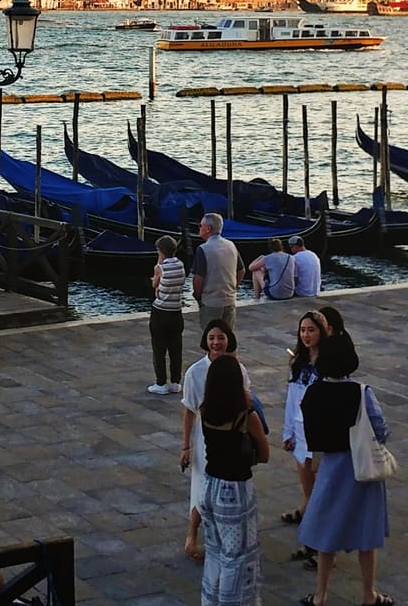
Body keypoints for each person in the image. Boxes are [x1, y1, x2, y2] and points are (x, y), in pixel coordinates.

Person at [297, 332, 391, 606]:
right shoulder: (361, 392)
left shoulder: (313, 392)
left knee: (326, 533)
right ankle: (368, 594)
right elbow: (381, 429)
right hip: (361, 467)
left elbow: (310, 431)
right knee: (366, 534)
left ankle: (321, 595)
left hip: (331, 467)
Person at [197, 351, 269, 605]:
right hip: (235, 491)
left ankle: (211, 600)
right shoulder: (246, 417)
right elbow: (265, 454)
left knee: (214, 551)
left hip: (209, 486)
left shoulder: (205, 411)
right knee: (236, 557)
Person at [180, 319, 254, 561]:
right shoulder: (195, 372)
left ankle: (216, 534)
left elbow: (247, 402)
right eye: (211, 337)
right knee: (201, 486)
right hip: (206, 434)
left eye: (220, 337)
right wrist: (186, 445)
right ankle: (192, 534)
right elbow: (189, 410)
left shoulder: (238, 369)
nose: (216, 342)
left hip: (232, 432)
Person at [279, 312, 326, 535]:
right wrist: (287, 432)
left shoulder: (328, 364)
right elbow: (291, 398)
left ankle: (316, 526)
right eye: (303, 330)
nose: (306, 335)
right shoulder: (298, 362)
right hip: (299, 427)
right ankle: (305, 509)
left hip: (319, 430)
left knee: (320, 480)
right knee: (305, 476)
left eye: (311, 330)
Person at [148, 236, 187, 395]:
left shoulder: (160, 267)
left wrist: (158, 263)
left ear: (160, 251)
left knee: (159, 348)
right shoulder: (180, 264)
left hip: (160, 311)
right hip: (176, 311)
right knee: (175, 348)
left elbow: (154, 284)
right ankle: (176, 382)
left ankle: (161, 382)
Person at [191, 213, 242, 331]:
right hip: (229, 299)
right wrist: (233, 287)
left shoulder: (203, 249)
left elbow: (198, 278)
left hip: (211, 301)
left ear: (208, 228)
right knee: (227, 336)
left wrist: (198, 296)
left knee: (211, 337)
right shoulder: (231, 245)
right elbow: (241, 270)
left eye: (200, 226)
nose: (199, 228)